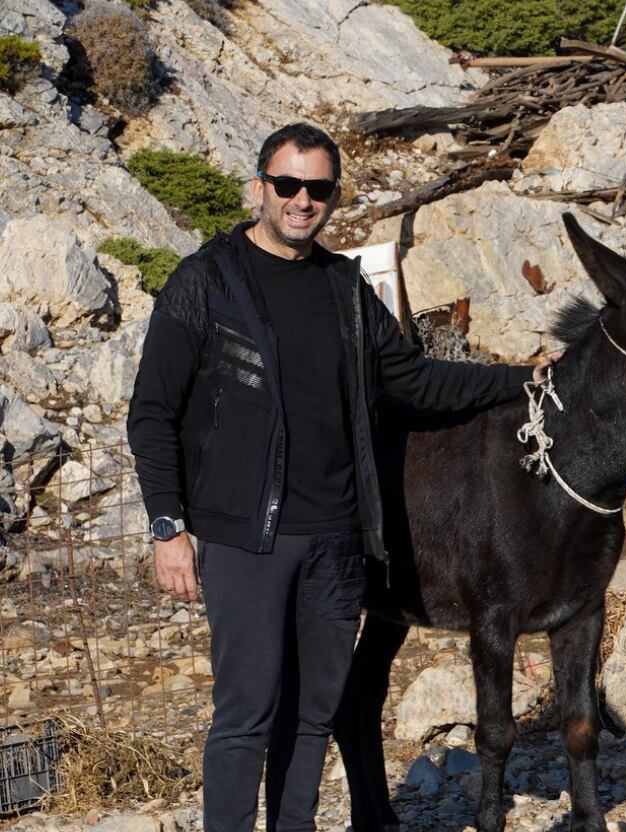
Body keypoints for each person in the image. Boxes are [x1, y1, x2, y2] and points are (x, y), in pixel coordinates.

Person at [127, 123, 540, 831]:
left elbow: (414, 379)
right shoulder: (207, 280)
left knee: (312, 716)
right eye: (287, 185)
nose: (301, 201)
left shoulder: (345, 287)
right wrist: (169, 526)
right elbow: (151, 413)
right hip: (246, 539)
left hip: (336, 542)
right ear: (259, 187)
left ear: (332, 196)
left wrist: (522, 380)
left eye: (317, 189)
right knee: (246, 716)